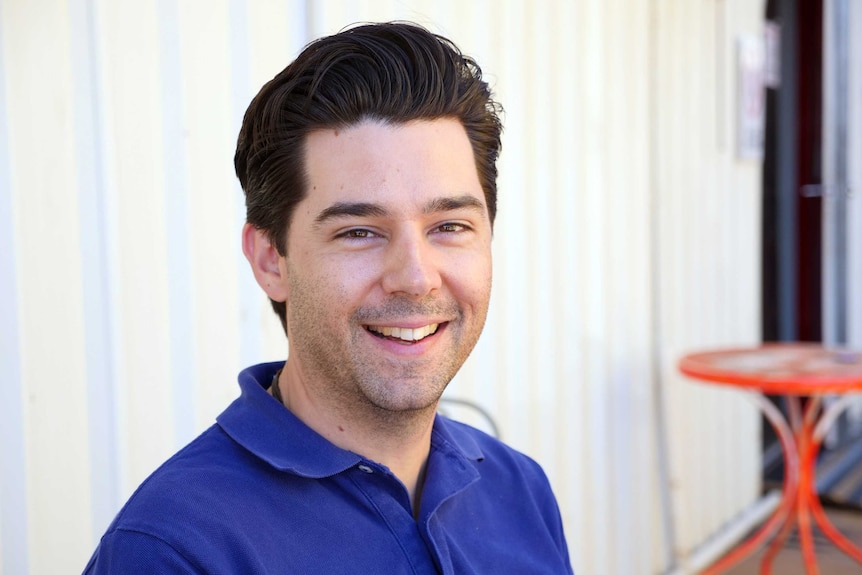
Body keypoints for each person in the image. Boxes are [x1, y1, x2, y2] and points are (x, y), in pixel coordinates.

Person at [84, 21, 573, 574]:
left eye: (450, 226)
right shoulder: (174, 550)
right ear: (272, 260)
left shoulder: (521, 491)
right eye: (358, 231)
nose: (415, 277)